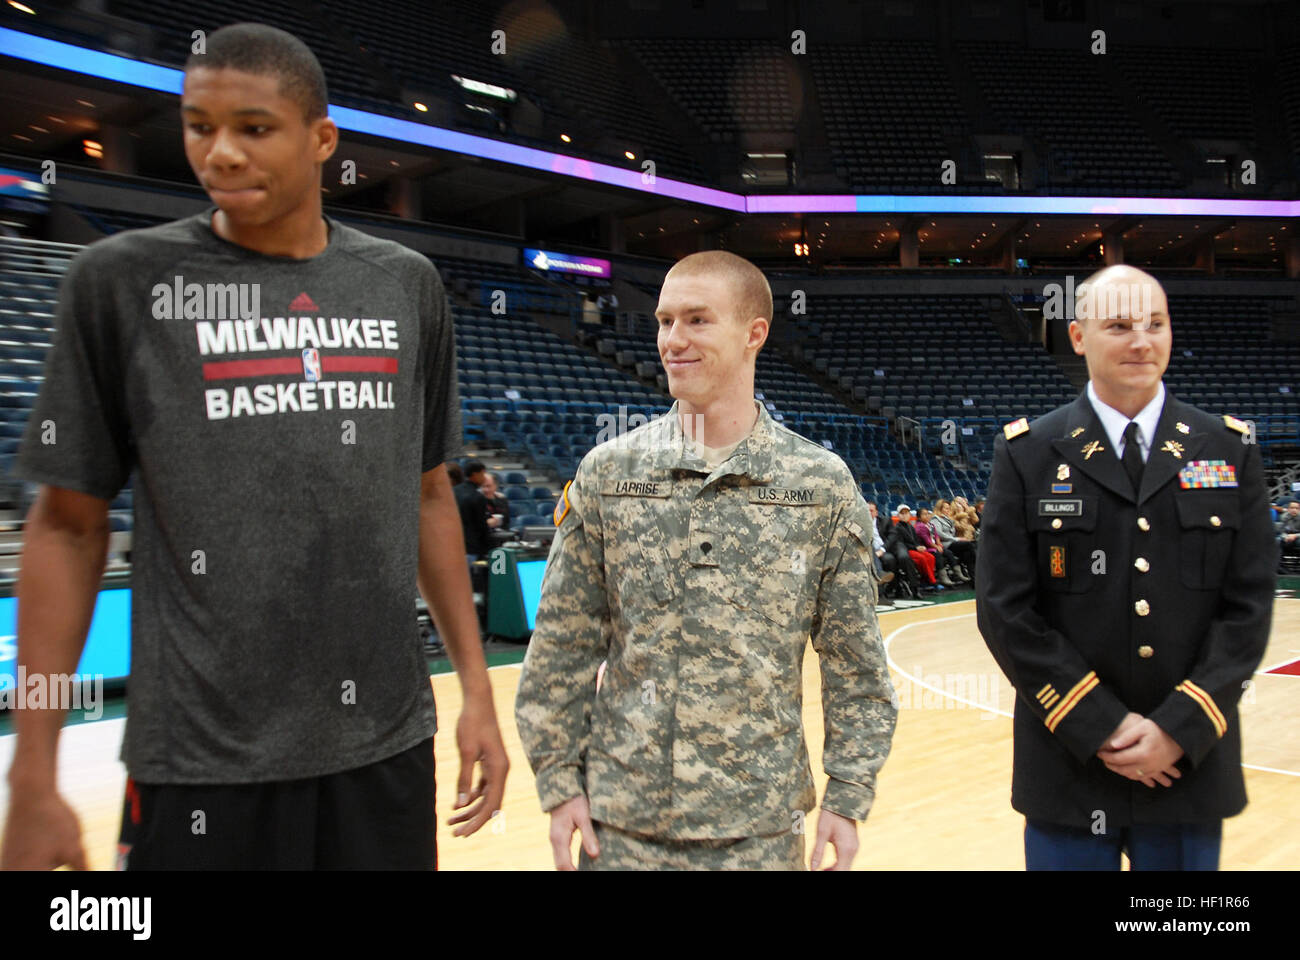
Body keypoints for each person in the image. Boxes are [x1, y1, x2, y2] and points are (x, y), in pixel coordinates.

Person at [0, 23, 508, 871]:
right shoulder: (121, 283)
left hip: (383, 745)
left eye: (255, 127)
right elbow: (66, 527)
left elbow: (426, 496)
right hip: (198, 764)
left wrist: (477, 690)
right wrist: (33, 772)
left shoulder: (404, 284)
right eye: (200, 126)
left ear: (322, 139)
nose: (221, 154)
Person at [514, 250, 896, 871]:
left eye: (696, 320)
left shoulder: (820, 485)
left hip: (760, 831)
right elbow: (563, 644)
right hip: (620, 829)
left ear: (754, 334)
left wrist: (849, 792)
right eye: (665, 321)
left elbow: (855, 663)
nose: (672, 340)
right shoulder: (609, 474)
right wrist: (558, 781)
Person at [976, 264, 1275, 871]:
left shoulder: (1226, 447)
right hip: (1071, 765)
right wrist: (1100, 725)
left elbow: (1249, 607)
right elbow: (1006, 610)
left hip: (1186, 768)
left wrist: (1179, 728)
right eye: (1119, 325)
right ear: (1079, 336)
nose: (1142, 341)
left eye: (1156, 324)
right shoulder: (1030, 452)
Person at [889, 506, 940, 592]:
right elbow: (901, 544)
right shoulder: (897, 528)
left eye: (906, 513)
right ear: (898, 515)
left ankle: (925, 579)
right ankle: (932, 581)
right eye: (902, 513)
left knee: (931, 557)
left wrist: (920, 547)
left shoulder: (910, 526)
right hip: (907, 550)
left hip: (914, 549)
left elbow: (916, 540)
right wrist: (916, 547)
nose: (905, 515)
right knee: (922, 558)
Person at [454, 460, 492, 560]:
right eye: (483, 474)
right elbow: (481, 525)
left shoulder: (453, 490)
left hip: (452, 543)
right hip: (470, 546)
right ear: (475, 474)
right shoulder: (477, 497)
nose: (484, 478)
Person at [480, 472, 512, 546]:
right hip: (485, 539)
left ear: (495, 486)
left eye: (488, 486)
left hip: (502, 536)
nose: (486, 490)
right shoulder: (477, 500)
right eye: (483, 486)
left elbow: (506, 520)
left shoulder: (502, 500)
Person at [1277, 498, 1300, 571]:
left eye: (1296, 508)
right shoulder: (1284, 517)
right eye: (1292, 508)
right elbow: (1281, 531)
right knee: (1277, 540)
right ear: (1288, 509)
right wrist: (1285, 536)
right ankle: (1278, 566)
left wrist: (1295, 536)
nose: (1294, 510)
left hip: (1298, 537)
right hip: (1287, 538)